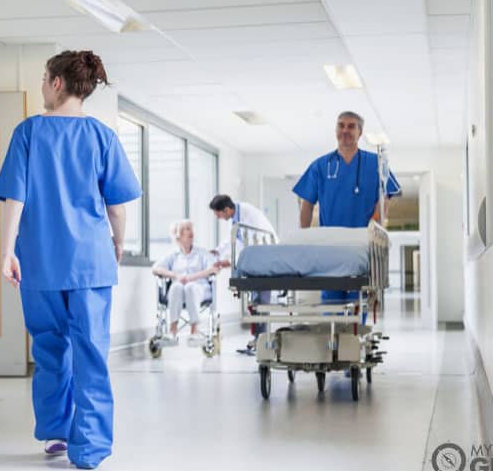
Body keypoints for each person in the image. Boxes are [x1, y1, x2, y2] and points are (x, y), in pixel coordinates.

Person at [0, 50, 141, 470]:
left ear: (57, 82)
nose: (41, 85)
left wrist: (7, 253)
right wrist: (117, 242)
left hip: (40, 260)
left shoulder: (28, 133)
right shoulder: (102, 136)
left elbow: (14, 198)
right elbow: (118, 205)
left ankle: (56, 431)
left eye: (43, 78)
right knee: (90, 351)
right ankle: (89, 447)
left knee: (50, 347)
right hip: (91, 262)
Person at [293, 110, 401, 303]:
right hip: (330, 246)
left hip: (362, 245)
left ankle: (354, 333)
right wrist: (305, 237)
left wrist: (374, 226)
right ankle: (333, 333)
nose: (345, 130)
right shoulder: (320, 165)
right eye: (341, 125)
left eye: (351, 126)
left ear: (360, 133)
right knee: (331, 305)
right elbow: (307, 204)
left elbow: (386, 197)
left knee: (358, 305)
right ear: (335, 130)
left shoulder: (376, 163)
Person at [209, 195, 277, 354]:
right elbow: (234, 239)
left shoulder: (249, 216)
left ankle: (263, 343)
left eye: (219, 215)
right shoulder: (236, 215)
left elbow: (251, 245)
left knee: (262, 303)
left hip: (265, 260)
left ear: (226, 209)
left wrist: (229, 262)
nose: (219, 218)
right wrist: (218, 251)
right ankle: (257, 340)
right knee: (256, 303)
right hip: (256, 262)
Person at [152, 220, 219, 345]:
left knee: (190, 287)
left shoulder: (202, 253)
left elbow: (214, 268)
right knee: (176, 287)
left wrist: (192, 277)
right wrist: (175, 275)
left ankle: (194, 331)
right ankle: (172, 331)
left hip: (199, 288)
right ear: (178, 235)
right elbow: (156, 268)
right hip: (178, 292)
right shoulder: (173, 254)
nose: (191, 232)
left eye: (191, 228)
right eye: (187, 229)